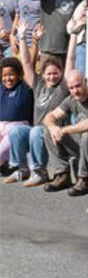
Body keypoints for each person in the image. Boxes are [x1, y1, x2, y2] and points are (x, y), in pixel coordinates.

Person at [4, 25, 66, 185]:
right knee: (16, 131)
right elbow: (25, 63)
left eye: (55, 73)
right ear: (43, 75)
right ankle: (21, 169)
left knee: (36, 130)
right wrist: (23, 38)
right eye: (49, 74)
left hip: (53, 132)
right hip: (35, 131)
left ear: (61, 73)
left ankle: (39, 171)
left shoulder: (63, 88)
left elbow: (71, 61)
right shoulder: (38, 85)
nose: (52, 77)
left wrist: (73, 36)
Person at [42, 69, 88, 195]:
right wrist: (53, 128)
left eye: (78, 86)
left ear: (85, 81)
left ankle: (84, 180)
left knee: (87, 135)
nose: (75, 91)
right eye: (71, 88)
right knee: (48, 130)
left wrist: (64, 129)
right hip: (82, 145)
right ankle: (62, 175)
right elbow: (50, 116)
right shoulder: (71, 99)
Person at [0, 56, 33, 170]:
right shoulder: (1, 87)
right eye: (4, 75)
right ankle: (4, 163)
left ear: (19, 74)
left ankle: (7, 161)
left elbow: (28, 62)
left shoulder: (24, 87)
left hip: (17, 128)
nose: (7, 78)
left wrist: (23, 38)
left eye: (11, 74)